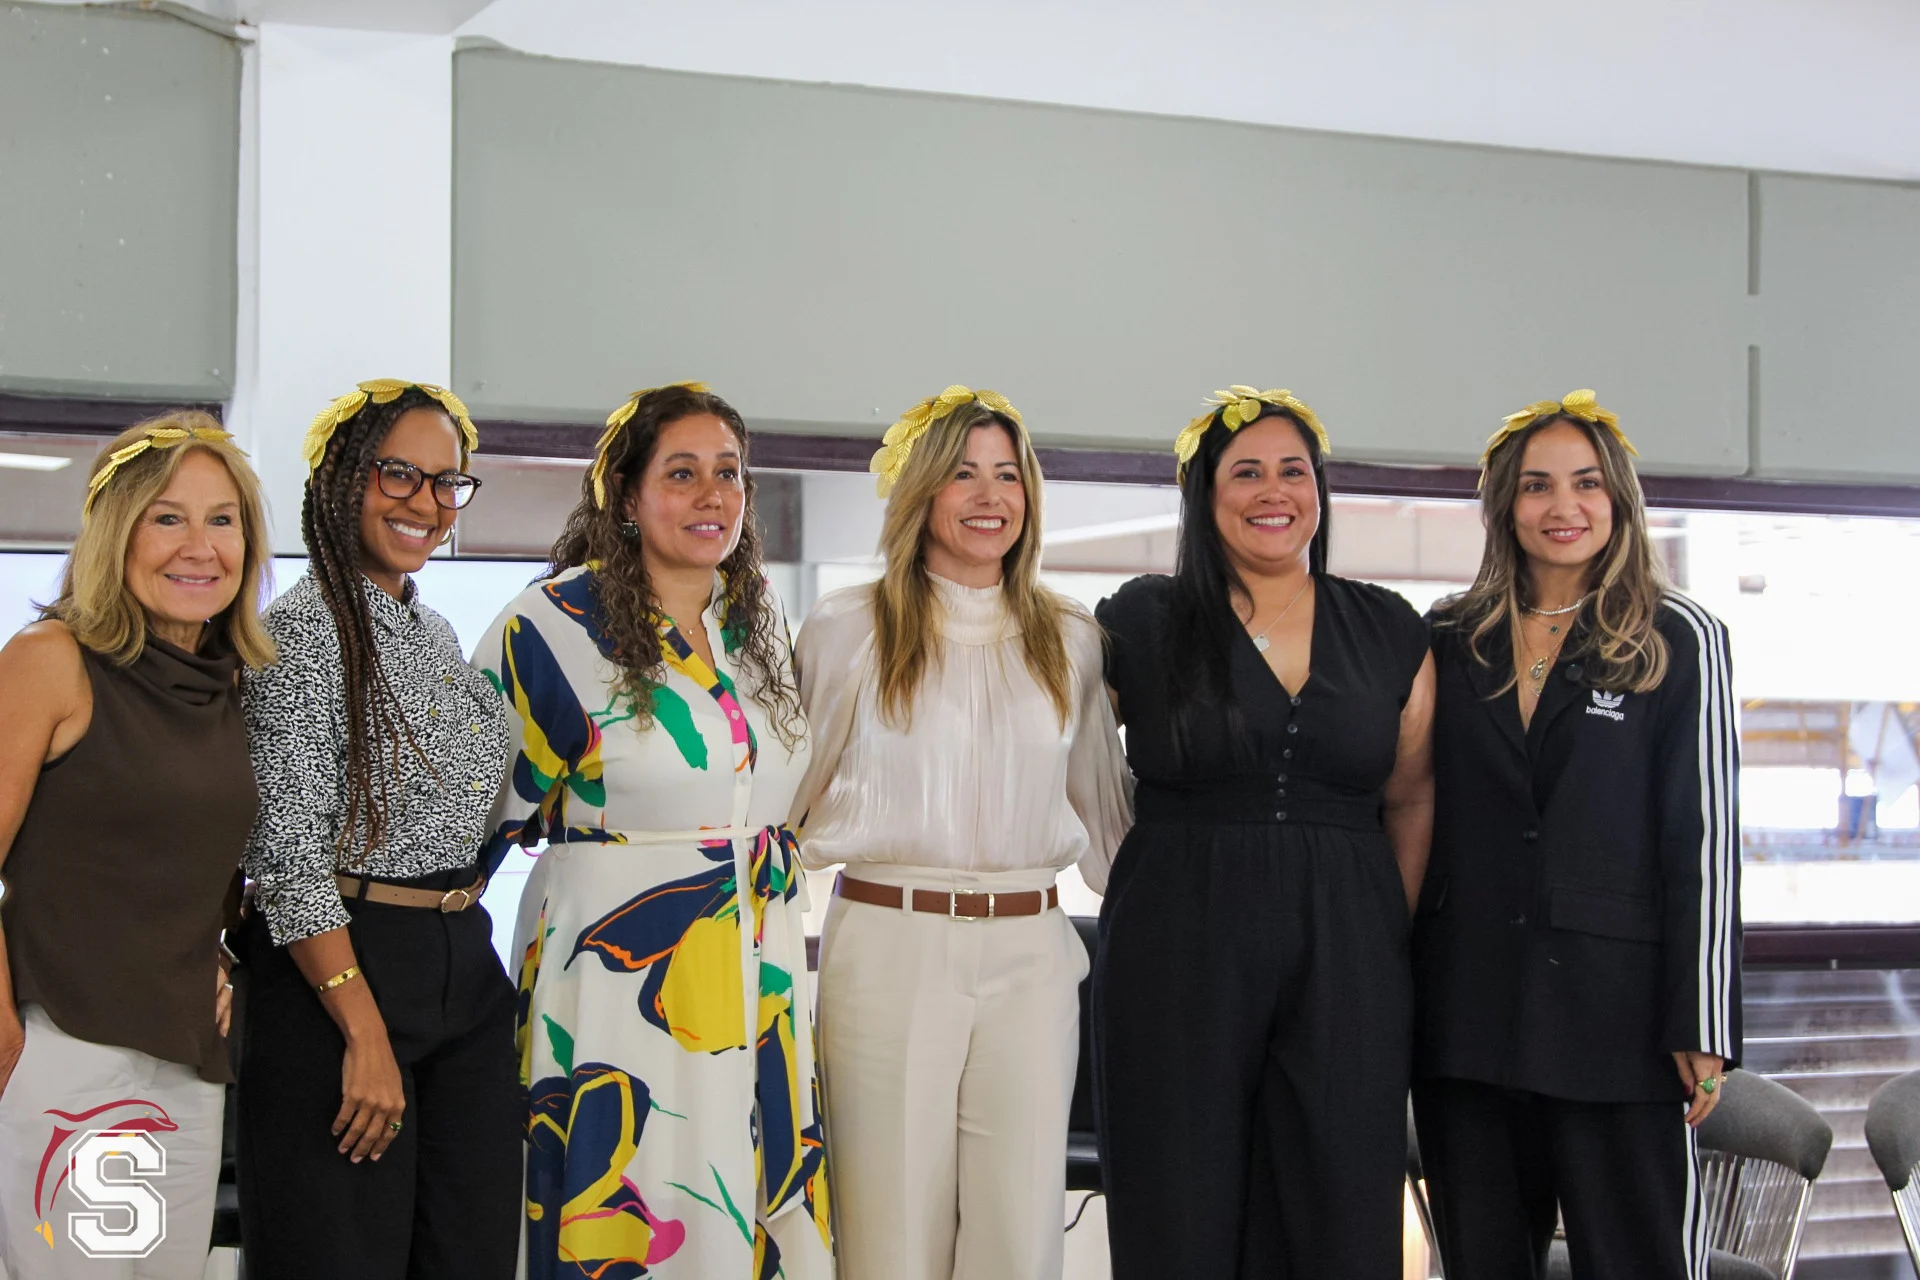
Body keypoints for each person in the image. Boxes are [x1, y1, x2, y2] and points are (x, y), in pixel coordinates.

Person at [477, 382, 829, 1279]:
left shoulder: (757, 628)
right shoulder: (550, 626)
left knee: (732, 1202)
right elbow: (470, 828)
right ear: (626, 496)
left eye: (729, 473)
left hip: (758, 961)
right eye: (682, 474)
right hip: (612, 972)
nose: (713, 496)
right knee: (626, 1193)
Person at [789, 385, 1131, 1280]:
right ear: (920, 494)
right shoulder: (847, 628)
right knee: (889, 1228)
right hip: (888, 945)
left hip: (1033, 952)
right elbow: (785, 810)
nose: (990, 496)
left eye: (1007, 475)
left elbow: (1110, 818)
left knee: (1021, 1232)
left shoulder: (1072, 637)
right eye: (963, 475)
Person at [1093, 386, 1434, 1278]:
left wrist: (1374, 933)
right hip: (1176, 938)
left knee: (1339, 1197)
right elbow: (1069, 761)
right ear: (1205, 497)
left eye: (1293, 471)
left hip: (1350, 949)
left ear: (1319, 492)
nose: (1272, 490)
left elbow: (1412, 798)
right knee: (1179, 1197)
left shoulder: (1390, 626)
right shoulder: (1144, 618)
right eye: (1245, 471)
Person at [1411, 390, 1740, 1279]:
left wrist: (1702, 1016)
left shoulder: (1678, 636)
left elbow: (1702, 842)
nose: (1563, 508)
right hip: (1468, 1015)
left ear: (1620, 498)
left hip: (1619, 1020)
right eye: (1537, 486)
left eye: (1587, 484)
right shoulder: (1448, 634)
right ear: (1503, 507)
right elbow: (1408, 806)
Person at [236, 380, 520, 1278]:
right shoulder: (297, 634)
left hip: (461, 965)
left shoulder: (430, 625)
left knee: (468, 1252)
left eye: (448, 483)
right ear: (340, 478)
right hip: (343, 973)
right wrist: (362, 1032)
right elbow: (285, 857)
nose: (428, 504)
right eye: (400, 474)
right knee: (337, 1258)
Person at [0, 415, 273, 1279]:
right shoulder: (52, 661)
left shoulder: (230, 685)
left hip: (183, 1057)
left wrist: (221, 957)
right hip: (68, 1051)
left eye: (222, 520)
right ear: (116, 531)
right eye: (168, 517)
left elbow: (188, 861)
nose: (199, 546)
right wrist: (9, 1044)